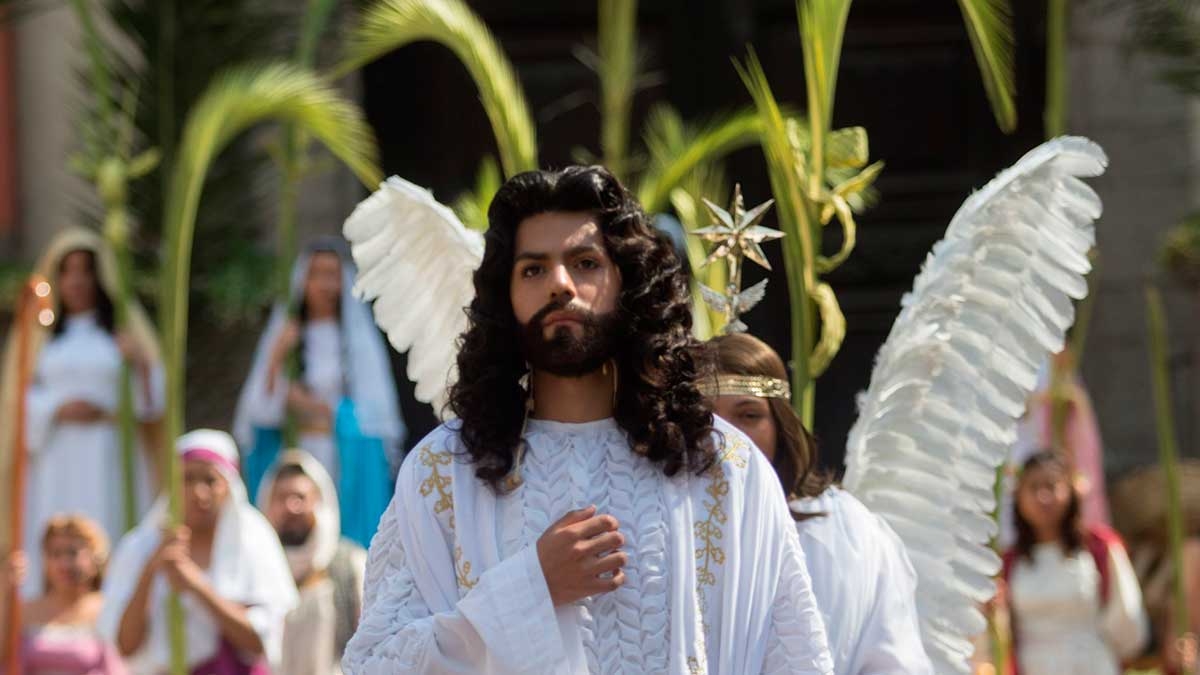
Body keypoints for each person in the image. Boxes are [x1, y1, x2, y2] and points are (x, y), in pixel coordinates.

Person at [342, 166, 833, 673]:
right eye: (533, 269)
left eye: (585, 262)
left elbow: (795, 656)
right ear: (505, 300)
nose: (560, 284)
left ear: (628, 283)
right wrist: (530, 588)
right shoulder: (444, 473)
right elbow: (375, 662)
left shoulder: (722, 467)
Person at [706, 332, 931, 675]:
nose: (726, 436)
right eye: (706, 417)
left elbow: (895, 662)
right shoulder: (658, 522)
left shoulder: (849, 531)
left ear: (779, 424)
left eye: (748, 415)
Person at [0, 227, 164, 596]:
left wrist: (138, 362)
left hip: (110, 452)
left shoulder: (122, 334)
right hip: (56, 456)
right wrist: (56, 408)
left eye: (86, 270)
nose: (76, 281)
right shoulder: (41, 336)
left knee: (113, 526)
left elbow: (156, 404)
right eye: (68, 270)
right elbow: (17, 398)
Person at [234, 238, 405, 548]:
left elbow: (376, 417)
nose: (324, 284)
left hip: (340, 455)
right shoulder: (285, 334)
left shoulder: (357, 342)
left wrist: (320, 408)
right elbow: (259, 410)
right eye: (316, 274)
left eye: (332, 274)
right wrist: (276, 356)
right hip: (295, 451)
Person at [98, 429, 297, 674]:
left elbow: (261, 641)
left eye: (210, 480)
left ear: (228, 485)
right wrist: (151, 569)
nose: (199, 492)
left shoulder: (252, 540)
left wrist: (195, 585)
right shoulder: (140, 545)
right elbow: (124, 645)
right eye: (188, 479)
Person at [1002, 451, 1148, 675]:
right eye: (1033, 488)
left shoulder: (1099, 547)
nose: (1043, 497)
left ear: (1070, 490)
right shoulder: (1008, 562)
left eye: (1051, 486)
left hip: (1092, 665)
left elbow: (1126, 612)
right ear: (1018, 496)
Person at [257, 450, 366, 675]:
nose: (291, 507)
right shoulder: (255, 569)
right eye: (281, 497)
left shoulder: (350, 565)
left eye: (300, 497)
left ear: (320, 502)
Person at [0, 515, 127, 674]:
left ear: (96, 558)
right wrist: (6, 592)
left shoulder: (109, 610)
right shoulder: (23, 611)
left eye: (72, 553)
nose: (64, 564)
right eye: (56, 554)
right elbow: (3, 656)